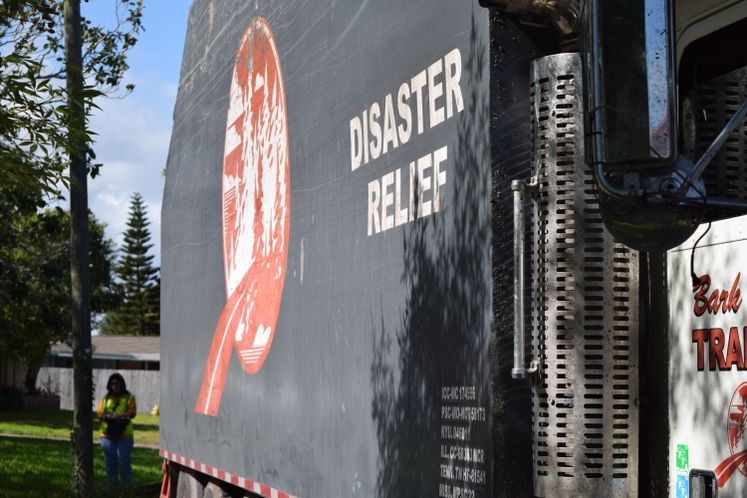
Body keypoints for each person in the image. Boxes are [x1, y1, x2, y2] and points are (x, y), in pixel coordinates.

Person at [97, 373, 137, 487]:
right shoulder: (106, 398)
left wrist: (116, 416)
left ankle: (127, 488)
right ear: (109, 385)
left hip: (124, 435)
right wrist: (106, 416)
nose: (115, 386)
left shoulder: (129, 397)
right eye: (112, 383)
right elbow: (99, 413)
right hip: (106, 435)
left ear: (122, 384)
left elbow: (132, 413)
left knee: (124, 462)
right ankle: (112, 489)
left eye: (117, 383)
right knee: (110, 463)